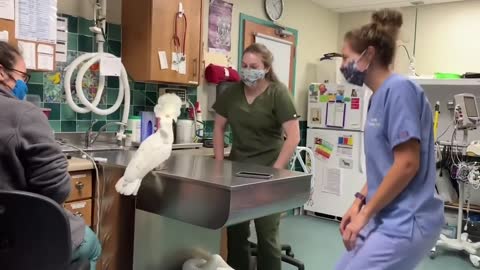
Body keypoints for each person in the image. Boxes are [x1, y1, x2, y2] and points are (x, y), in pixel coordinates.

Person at [335, 10, 444, 270]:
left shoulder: (400, 90)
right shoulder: (377, 97)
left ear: (368, 55)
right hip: (385, 215)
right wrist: (358, 202)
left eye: (345, 57)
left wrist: (365, 214)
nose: (342, 65)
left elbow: (407, 164)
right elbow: (384, 166)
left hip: (408, 219)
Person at [0, 41, 101, 269]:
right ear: (1, 73)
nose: (24, 85)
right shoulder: (24, 114)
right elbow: (57, 189)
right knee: (91, 243)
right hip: (20, 240)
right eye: (22, 77)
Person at [213, 43, 300, 270]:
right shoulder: (231, 93)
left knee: (267, 235)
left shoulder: (277, 93)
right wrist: (220, 165)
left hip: (268, 172)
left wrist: (276, 171)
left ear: (266, 68)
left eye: (253, 66)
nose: (247, 70)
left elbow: (293, 136)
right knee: (236, 234)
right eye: (244, 65)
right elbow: (219, 128)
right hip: (236, 173)